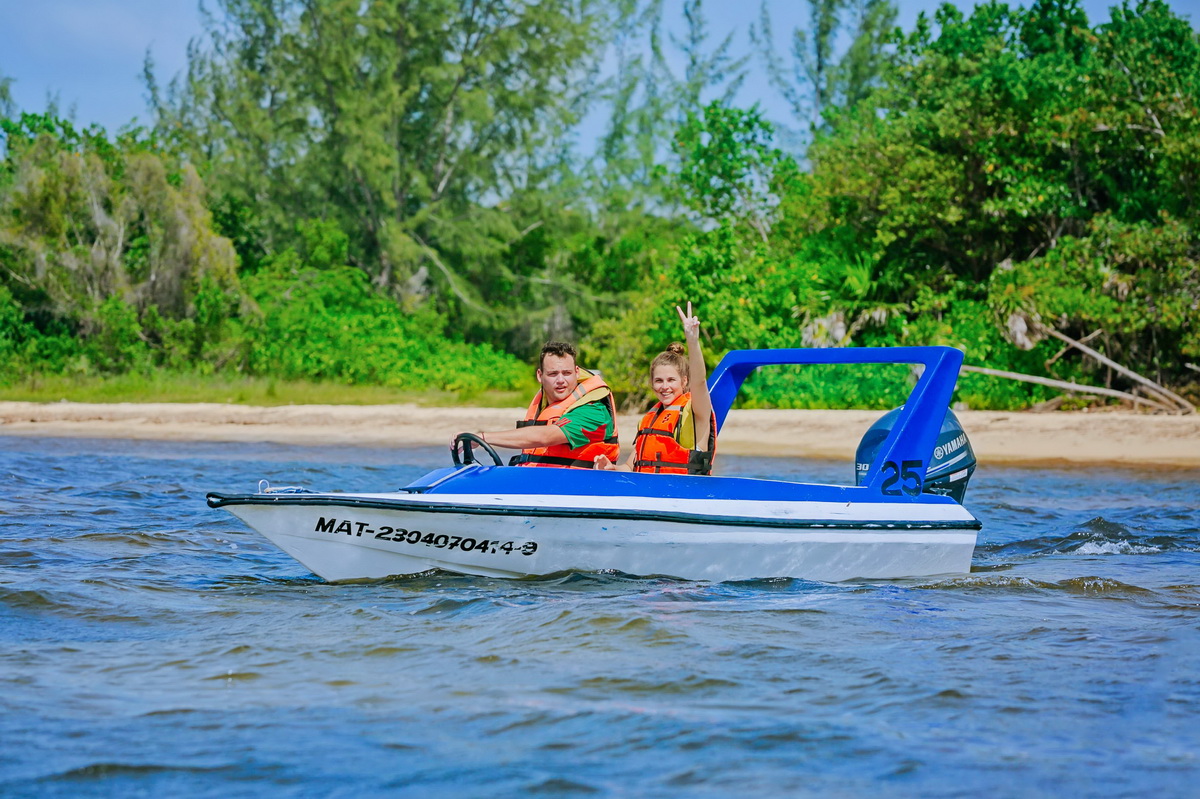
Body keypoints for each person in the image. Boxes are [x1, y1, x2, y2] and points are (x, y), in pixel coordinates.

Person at [453, 341, 619, 468]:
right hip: (541, 484)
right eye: (553, 374)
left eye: (566, 373)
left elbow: (545, 436)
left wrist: (483, 438)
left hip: (577, 490)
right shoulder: (545, 407)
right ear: (540, 376)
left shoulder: (594, 411)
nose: (560, 380)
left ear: (576, 372)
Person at [595, 302, 716, 475]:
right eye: (659, 380)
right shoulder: (650, 419)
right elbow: (629, 467)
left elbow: (700, 382)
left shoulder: (696, 412)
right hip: (652, 495)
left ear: (684, 381)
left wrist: (692, 341)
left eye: (671, 380)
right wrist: (611, 467)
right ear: (652, 384)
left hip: (684, 495)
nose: (665, 386)